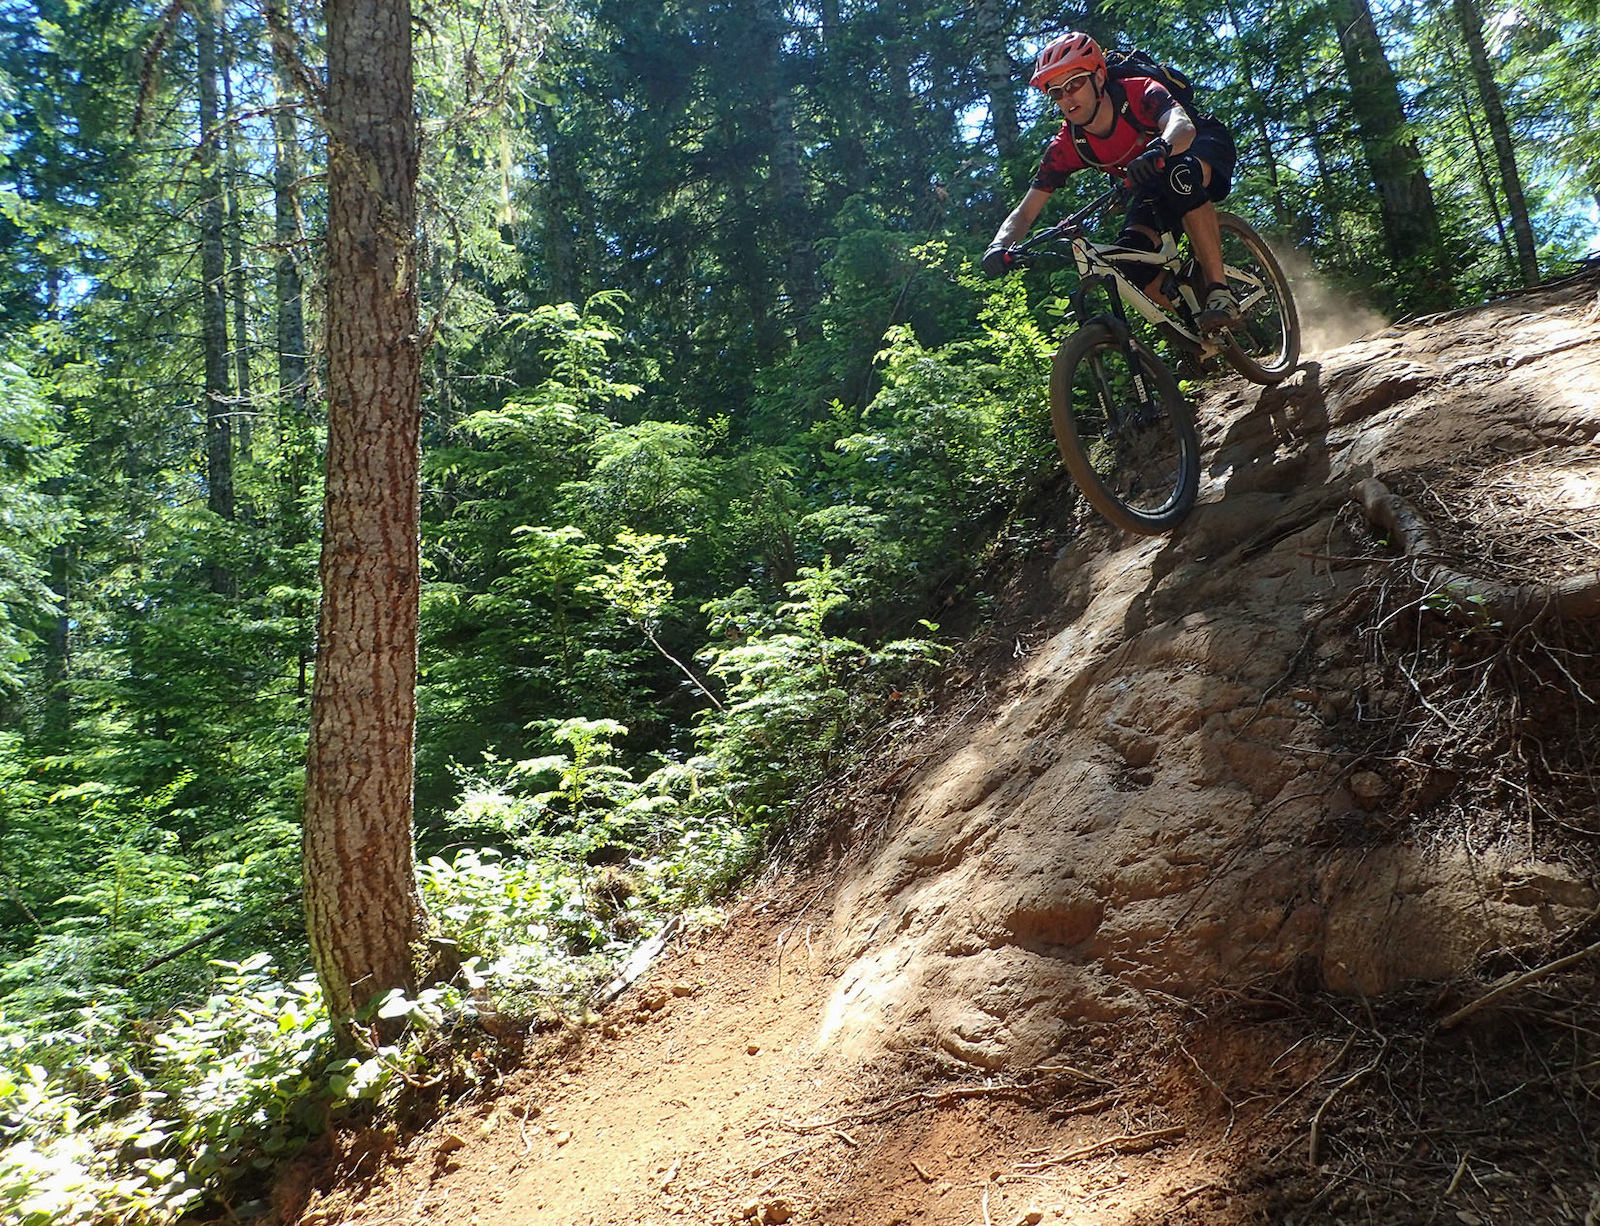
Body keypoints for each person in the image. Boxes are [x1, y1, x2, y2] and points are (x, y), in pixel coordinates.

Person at [982, 31, 1241, 333]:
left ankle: (1219, 293)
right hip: (1150, 179)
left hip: (1197, 144)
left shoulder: (1138, 92)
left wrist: (1160, 146)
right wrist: (999, 246)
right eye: (1056, 93)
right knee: (1130, 259)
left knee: (1178, 175)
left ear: (1099, 78)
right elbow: (1026, 211)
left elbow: (1181, 125)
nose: (1067, 98)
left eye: (1075, 83)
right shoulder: (1068, 145)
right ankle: (1199, 327)